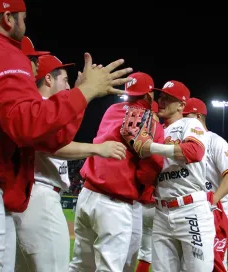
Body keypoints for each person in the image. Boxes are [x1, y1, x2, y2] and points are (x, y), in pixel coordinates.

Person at [0, 1, 132, 270]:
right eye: (23, 17)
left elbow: (50, 138)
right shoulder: (0, 49)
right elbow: (28, 127)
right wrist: (85, 93)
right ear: (8, 18)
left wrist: (78, 97)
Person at [13, 55, 127, 272]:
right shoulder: (42, 107)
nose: (68, 86)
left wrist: (81, 91)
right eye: (64, 80)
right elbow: (56, 144)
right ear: (48, 79)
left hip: (32, 194)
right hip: (40, 194)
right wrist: (97, 149)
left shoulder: (34, 108)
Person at [69, 72, 163, 272]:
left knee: (79, 265)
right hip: (114, 202)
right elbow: (148, 172)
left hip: (86, 196)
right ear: (149, 95)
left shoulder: (112, 109)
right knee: (110, 268)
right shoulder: (152, 122)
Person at [138, 80, 217, 272]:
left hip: (190, 209)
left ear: (182, 105)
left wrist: (150, 148)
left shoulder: (190, 123)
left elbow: (194, 150)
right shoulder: (155, 130)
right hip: (161, 212)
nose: (162, 101)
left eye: (169, 98)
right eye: (161, 96)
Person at [183, 97, 228, 271]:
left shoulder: (215, 141)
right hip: (190, 210)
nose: (183, 119)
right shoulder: (184, 142)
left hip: (215, 209)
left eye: (187, 116)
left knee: (216, 263)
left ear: (198, 117)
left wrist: (213, 200)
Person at [136, 101, 161, 272]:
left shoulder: (138, 134)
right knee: (164, 251)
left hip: (140, 204)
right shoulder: (160, 132)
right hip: (158, 205)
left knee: (144, 251)